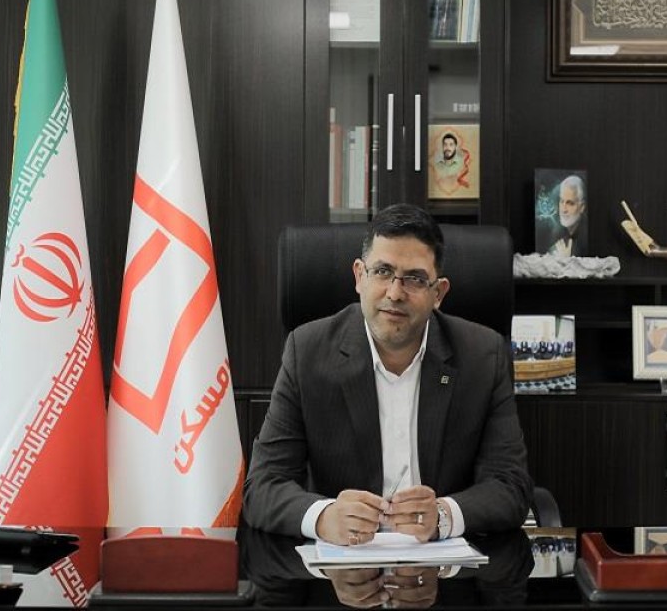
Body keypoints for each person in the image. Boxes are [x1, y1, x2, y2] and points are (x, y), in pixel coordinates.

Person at [243, 204, 532, 545]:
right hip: (344, 565)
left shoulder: (482, 356)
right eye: (382, 271)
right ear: (359, 276)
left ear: (438, 293)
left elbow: (510, 486)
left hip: (444, 564)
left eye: (415, 279)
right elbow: (263, 486)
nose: (395, 293)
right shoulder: (307, 351)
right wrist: (323, 517)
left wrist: (443, 515)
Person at [549, 174, 587, 257]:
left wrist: (567, 260)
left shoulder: (586, 238)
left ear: (582, 207)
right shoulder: (557, 232)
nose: (563, 209)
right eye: (562, 201)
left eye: (570, 203)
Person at [431, 131, 470, 196]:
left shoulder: (462, 165)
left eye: (451, 145)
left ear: (455, 147)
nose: (448, 148)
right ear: (442, 146)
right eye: (445, 144)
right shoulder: (436, 164)